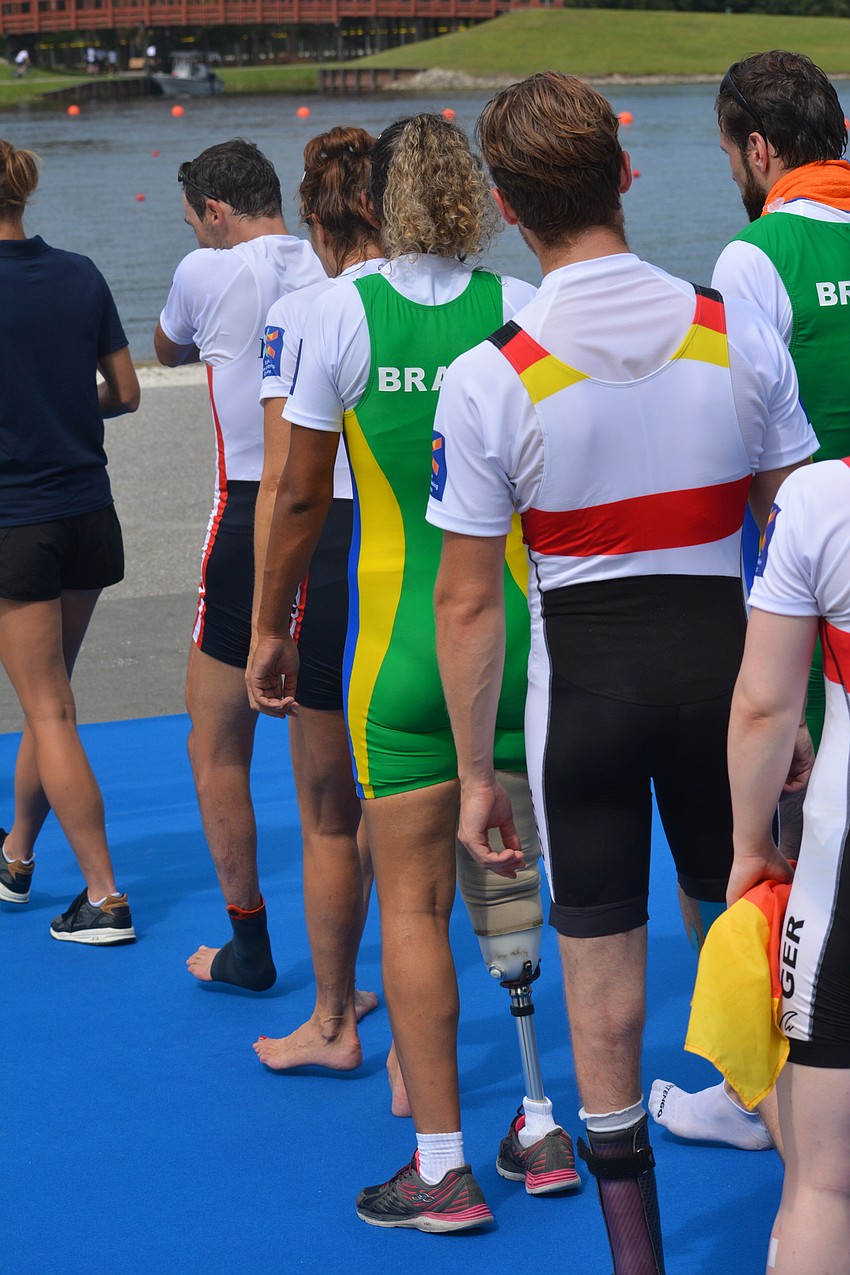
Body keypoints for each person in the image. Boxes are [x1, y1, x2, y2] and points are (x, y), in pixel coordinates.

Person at [426, 72, 815, 1273]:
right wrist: (793, 715)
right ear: (628, 177)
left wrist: (480, 774)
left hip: (581, 710)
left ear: (501, 202)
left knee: (603, 997)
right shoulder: (733, 327)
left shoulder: (492, 372)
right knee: (761, 963)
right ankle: (820, 1209)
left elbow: (467, 599)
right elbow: (793, 524)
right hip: (728, 701)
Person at [249, 114, 577, 1231]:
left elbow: (294, 498)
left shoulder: (335, 312)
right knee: (515, 888)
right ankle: (537, 1117)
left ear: (383, 204)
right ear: (478, 202)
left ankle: (439, 1165)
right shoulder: (521, 310)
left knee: (418, 904)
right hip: (511, 640)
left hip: (393, 647)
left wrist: (271, 626)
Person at [651, 49, 850, 1154]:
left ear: (758, 151)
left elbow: (743, 429)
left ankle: (761, 1088)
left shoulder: (754, 251)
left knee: (797, 845)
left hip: (808, 578)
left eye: (728, 149)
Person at [154, 138, 324, 991]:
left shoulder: (205, 272)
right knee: (334, 762)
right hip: (342, 513)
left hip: (254, 514)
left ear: (216, 213)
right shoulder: (332, 267)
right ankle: (342, 978)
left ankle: (248, 942)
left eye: (194, 225)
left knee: (215, 740)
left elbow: (167, 347)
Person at [252, 125, 382, 1071]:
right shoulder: (462, 299)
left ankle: (333, 1018)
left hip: (335, 550)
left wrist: (269, 620)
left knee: (330, 812)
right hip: (431, 551)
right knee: (430, 803)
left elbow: (283, 485)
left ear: (313, 216)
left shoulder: (302, 313)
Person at [0, 140, 140, 944]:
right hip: (88, 514)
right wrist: (60, 402)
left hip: (17, 524)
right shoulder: (81, 273)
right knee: (45, 697)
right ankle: (16, 857)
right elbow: (123, 393)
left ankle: (105, 895)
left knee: (49, 707)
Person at [724, 458, 850, 1274]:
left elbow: (764, 705)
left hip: (842, 863)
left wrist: (750, 845)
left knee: (826, 1182)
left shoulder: (824, 496)